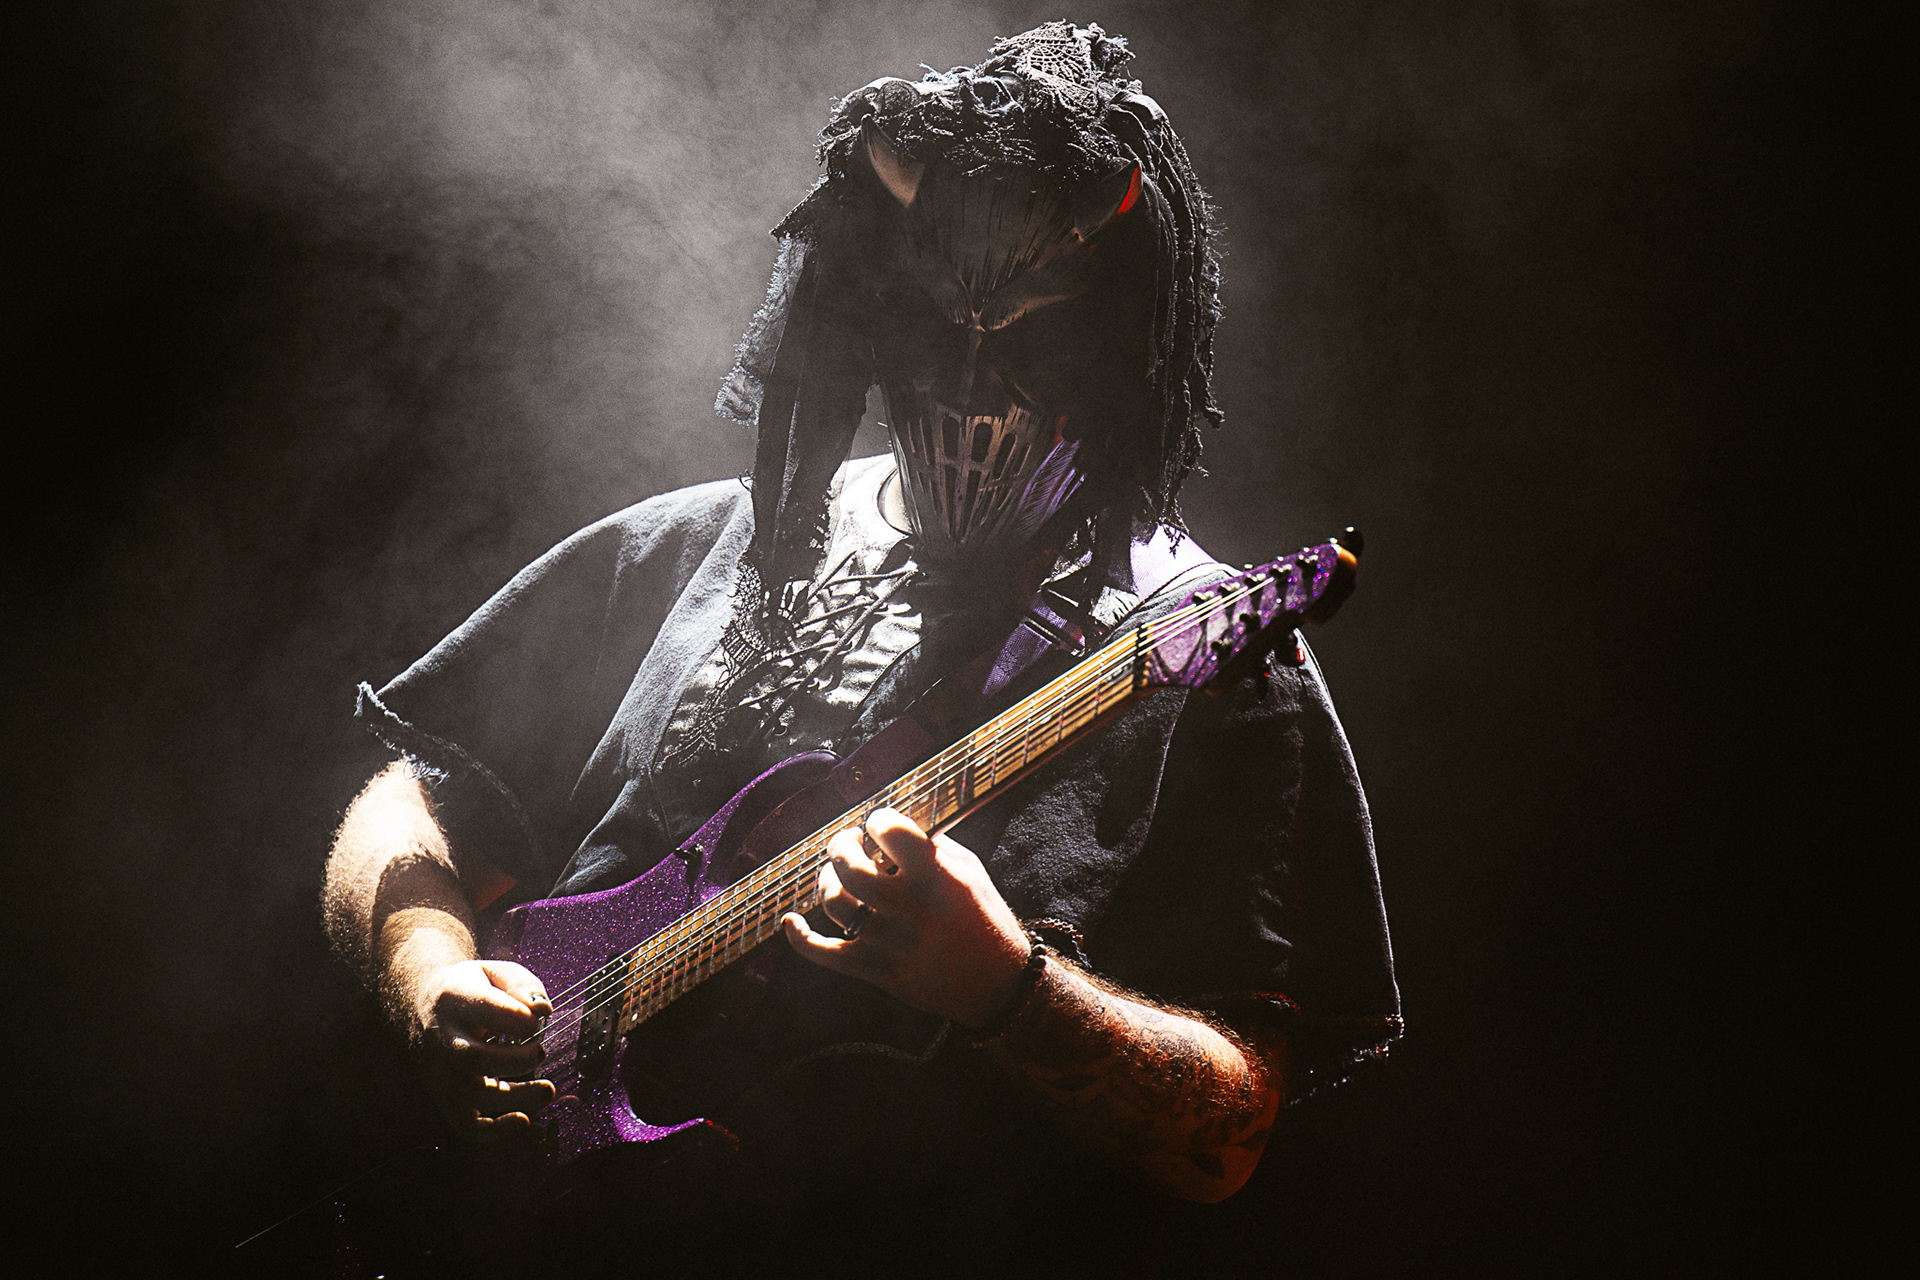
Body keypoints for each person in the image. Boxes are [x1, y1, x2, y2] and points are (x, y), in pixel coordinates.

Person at [324, 20, 1399, 1267]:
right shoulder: (700, 541)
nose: (975, 371)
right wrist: (427, 971)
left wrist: (1004, 984)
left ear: (1119, 341)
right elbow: (413, 797)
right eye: (936, 321)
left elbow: (1229, 1134)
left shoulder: (1213, 653)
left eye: (1032, 328)